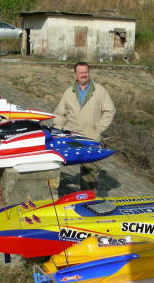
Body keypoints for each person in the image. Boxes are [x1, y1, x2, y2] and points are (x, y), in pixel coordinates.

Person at [53, 61, 116, 191]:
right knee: (54, 162)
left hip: (90, 137)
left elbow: (110, 110)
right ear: (75, 75)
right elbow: (59, 114)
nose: (83, 75)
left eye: (85, 72)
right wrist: (57, 131)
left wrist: (99, 128)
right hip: (71, 136)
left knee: (90, 171)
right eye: (80, 72)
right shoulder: (68, 92)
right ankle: (55, 193)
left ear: (89, 73)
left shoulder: (99, 90)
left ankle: (88, 200)